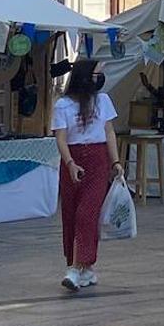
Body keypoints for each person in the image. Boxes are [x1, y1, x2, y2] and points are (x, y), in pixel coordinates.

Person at [52, 60, 122, 292]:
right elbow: (61, 138)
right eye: (96, 74)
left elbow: (109, 131)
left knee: (87, 213)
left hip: (97, 157)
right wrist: (70, 162)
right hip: (73, 157)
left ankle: (75, 267)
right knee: (71, 213)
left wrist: (115, 161)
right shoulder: (63, 105)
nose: (100, 79)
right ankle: (86, 266)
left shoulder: (103, 101)